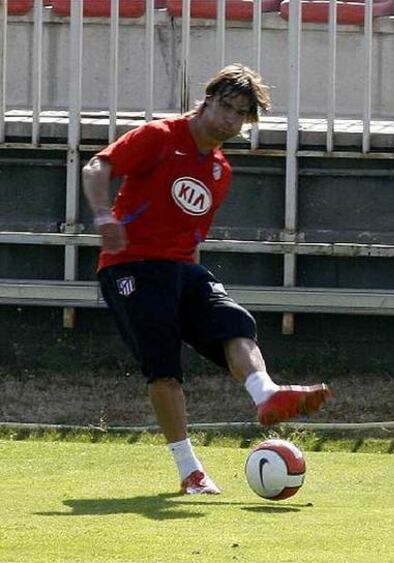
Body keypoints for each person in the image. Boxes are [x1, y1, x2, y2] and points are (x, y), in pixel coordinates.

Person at [82, 63, 333, 495]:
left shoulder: (220, 171)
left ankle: (266, 393)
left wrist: (192, 282)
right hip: (131, 266)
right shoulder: (161, 136)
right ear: (208, 100)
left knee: (236, 323)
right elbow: (96, 167)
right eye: (226, 107)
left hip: (182, 268)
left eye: (241, 115)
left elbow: (191, 236)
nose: (230, 120)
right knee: (164, 369)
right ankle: (189, 470)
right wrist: (104, 215)